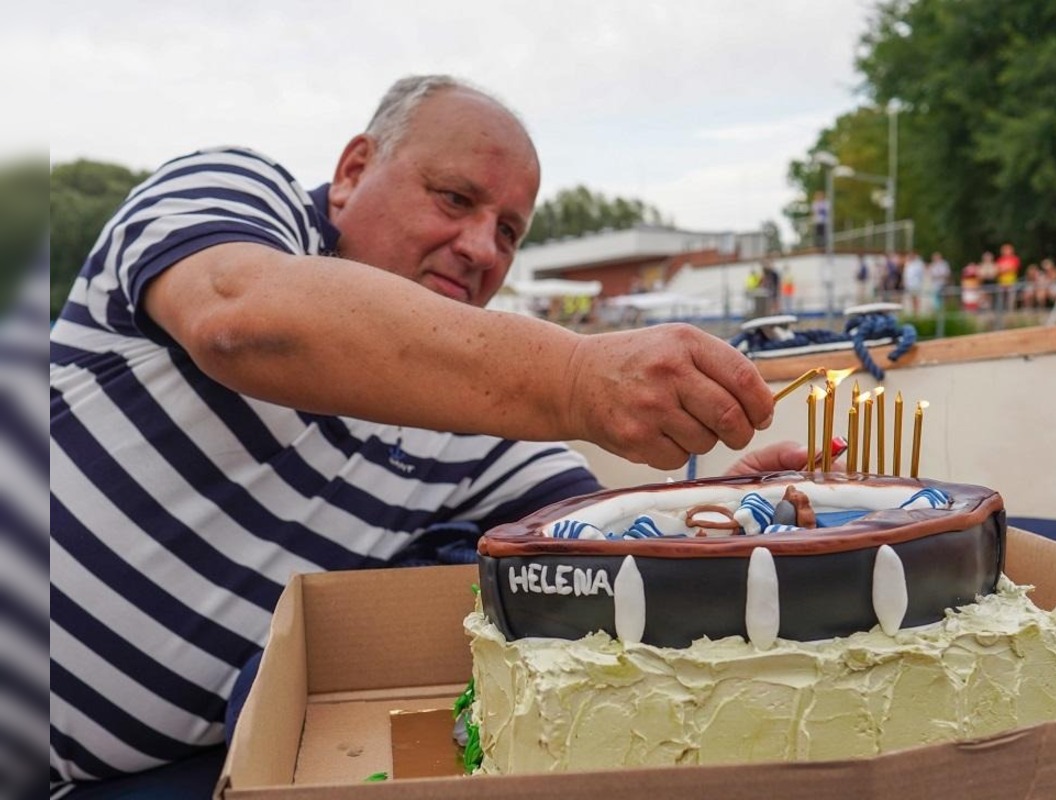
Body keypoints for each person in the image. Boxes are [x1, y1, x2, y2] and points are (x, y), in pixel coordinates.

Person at [49, 75, 811, 796]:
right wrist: (577, 378)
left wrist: (725, 517)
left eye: (508, 231)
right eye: (454, 198)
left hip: (153, 778)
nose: (482, 248)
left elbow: (608, 553)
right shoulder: (233, 190)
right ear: (352, 170)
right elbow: (239, 318)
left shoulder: (483, 427)